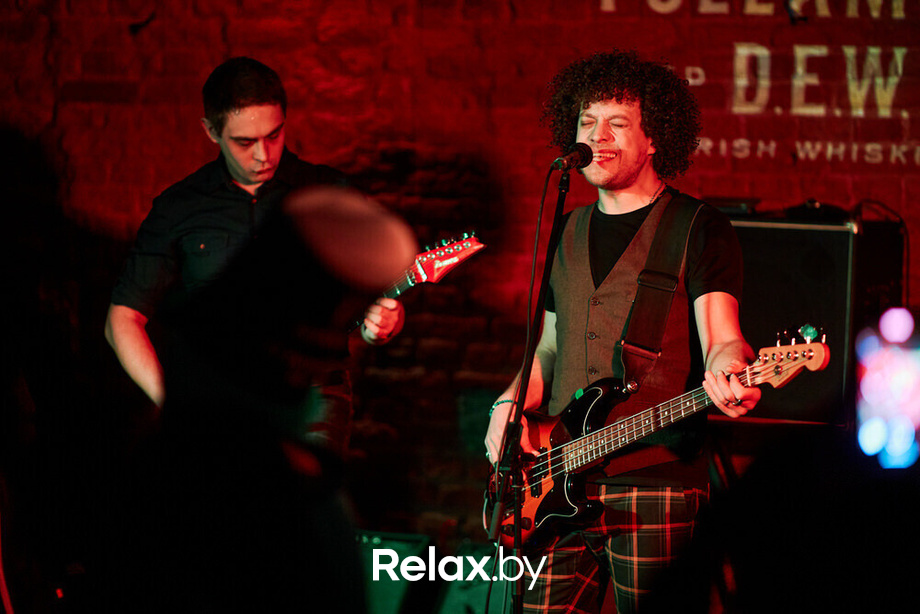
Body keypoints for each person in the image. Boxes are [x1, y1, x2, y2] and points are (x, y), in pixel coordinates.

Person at [484, 50, 762, 613]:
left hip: (654, 482)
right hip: (554, 476)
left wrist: (729, 366)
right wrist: (511, 402)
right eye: (588, 122)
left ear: (655, 137)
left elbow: (723, 337)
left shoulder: (697, 227)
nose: (598, 137)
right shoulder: (568, 227)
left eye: (617, 123)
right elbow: (550, 345)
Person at [104, 56, 405, 456]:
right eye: (245, 142)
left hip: (312, 396)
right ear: (211, 131)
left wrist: (383, 324)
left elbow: (376, 310)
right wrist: (176, 402)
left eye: (274, 135)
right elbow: (121, 319)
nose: (264, 155)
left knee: (293, 505)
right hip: (215, 395)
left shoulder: (330, 195)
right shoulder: (180, 207)